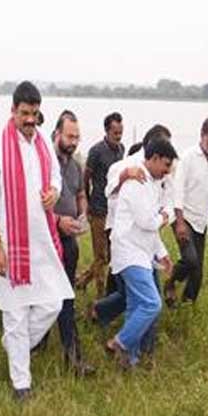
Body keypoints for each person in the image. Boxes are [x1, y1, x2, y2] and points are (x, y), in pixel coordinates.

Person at [0, 81, 73, 400]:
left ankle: (13, 346)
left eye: (34, 113)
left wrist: (54, 192)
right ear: (13, 110)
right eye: (24, 113)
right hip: (10, 243)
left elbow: (55, 177)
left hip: (42, 241)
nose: (30, 119)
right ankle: (21, 384)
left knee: (52, 303)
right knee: (15, 313)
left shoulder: (44, 141)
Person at [105, 138, 178, 369]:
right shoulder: (137, 181)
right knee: (151, 303)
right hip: (129, 252)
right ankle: (119, 342)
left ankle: (129, 360)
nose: (167, 171)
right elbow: (148, 222)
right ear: (154, 158)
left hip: (141, 252)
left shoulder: (153, 183)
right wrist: (165, 216)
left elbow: (149, 229)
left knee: (136, 306)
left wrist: (162, 253)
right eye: (166, 165)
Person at [46, 111, 95, 376]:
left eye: (77, 137)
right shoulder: (43, 161)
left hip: (69, 240)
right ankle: (37, 346)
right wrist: (57, 221)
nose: (74, 142)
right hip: (45, 242)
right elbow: (31, 203)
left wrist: (83, 213)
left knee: (66, 296)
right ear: (57, 134)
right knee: (44, 298)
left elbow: (80, 194)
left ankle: (73, 358)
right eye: (69, 136)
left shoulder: (75, 165)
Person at [164, 117, 208, 305]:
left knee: (197, 274)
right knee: (190, 260)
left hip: (202, 222)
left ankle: (186, 306)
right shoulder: (188, 157)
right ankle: (170, 282)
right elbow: (178, 192)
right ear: (202, 135)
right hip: (184, 217)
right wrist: (180, 223)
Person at [80, 112, 125, 297]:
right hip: (98, 209)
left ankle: (82, 280)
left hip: (114, 210)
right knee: (101, 256)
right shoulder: (96, 151)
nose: (119, 136)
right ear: (107, 131)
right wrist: (87, 203)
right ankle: (100, 295)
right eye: (115, 133)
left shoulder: (121, 150)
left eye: (121, 132)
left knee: (111, 255)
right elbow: (86, 177)